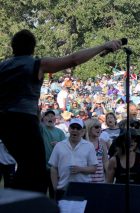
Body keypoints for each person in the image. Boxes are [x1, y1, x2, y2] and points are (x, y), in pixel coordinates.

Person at [0, 29, 121, 192]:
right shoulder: (37, 64)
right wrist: (102, 46)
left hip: (5, 122)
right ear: (33, 48)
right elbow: (73, 60)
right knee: (35, 171)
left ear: (13, 47)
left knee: (25, 166)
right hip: (24, 121)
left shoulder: (3, 66)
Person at [49, 118, 98, 200]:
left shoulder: (89, 146)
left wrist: (80, 169)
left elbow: (94, 168)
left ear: (82, 131)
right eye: (72, 127)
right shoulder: (59, 145)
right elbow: (53, 168)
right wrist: (55, 187)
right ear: (69, 129)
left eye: (78, 128)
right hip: (63, 189)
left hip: (83, 189)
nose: (75, 130)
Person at [40, 109, 66, 198]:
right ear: (43, 118)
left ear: (55, 119)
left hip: (55, 168)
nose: (50, 118)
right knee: (40, 193)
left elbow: (66, 148)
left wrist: (58, 145)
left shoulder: (60, 132)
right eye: (47, 116)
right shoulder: (41, 129)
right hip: (42, 167)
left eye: (52, 116)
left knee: (54, 193)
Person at [84, 118, 108, 183]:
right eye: (96, 127)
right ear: (89, 128)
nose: (99, 129)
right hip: (85, 181)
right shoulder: (83, 143)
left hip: (100, 181)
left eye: (100, 127)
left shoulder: (102, 142)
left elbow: (105, 161)